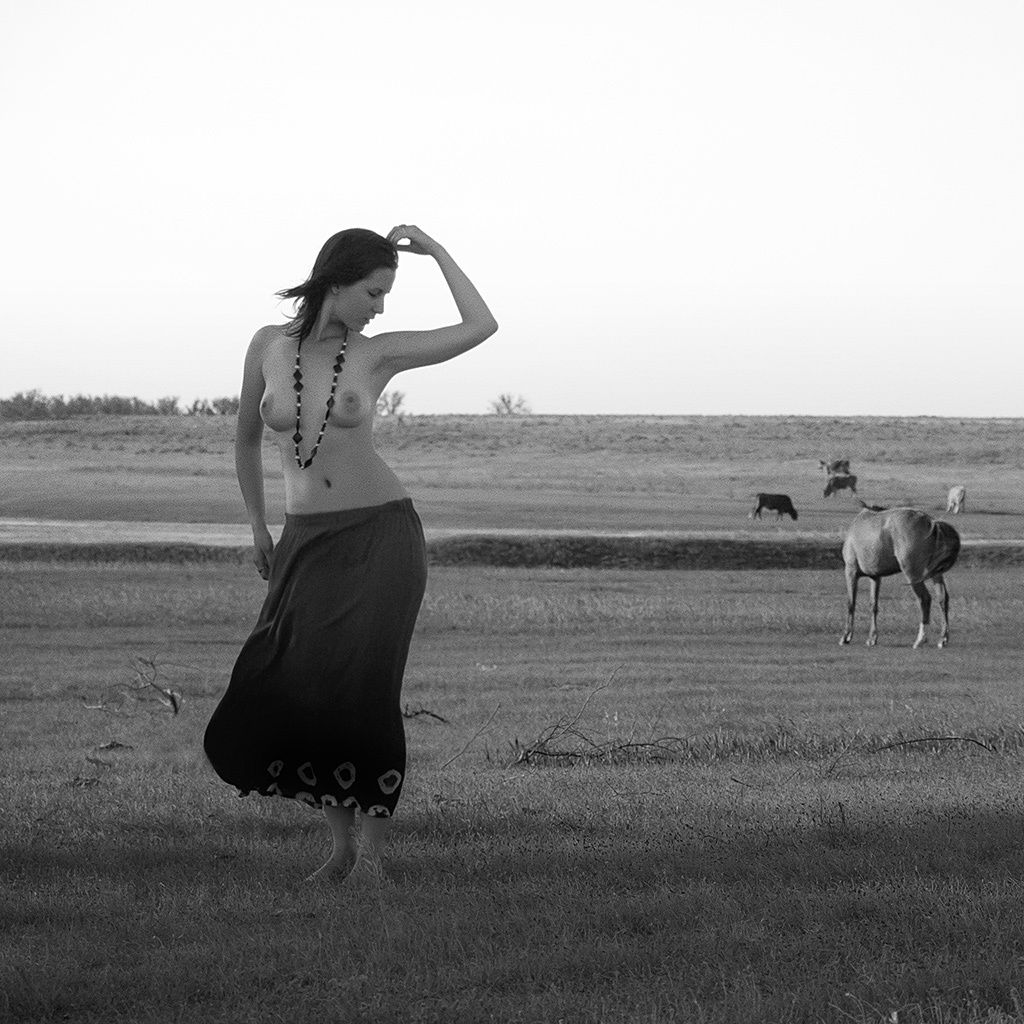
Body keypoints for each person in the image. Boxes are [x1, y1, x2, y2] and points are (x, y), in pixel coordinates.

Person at [203, 225, 498, 883]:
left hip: (381, 539)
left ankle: (374, 859)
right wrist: (258, 527)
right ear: (334, 282)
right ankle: (340, 851)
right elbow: (246, 440)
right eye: (373, 292)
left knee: (365, 690)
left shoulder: (376, 353)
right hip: (306, 540)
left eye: (387, 293)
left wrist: (437, 251)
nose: (380, 307)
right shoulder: (267, 346)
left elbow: (480, 326)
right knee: (308, 689)